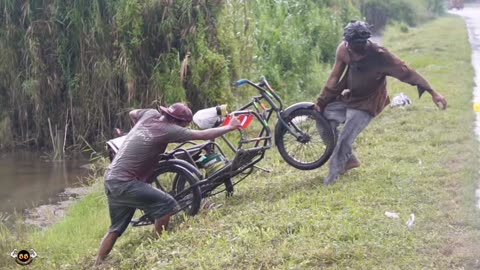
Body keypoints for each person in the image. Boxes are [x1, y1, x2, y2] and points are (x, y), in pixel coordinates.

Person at [96, 103, 241, 265]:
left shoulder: (149, 114)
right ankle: (159, 245)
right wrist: (229, 127)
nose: (186, 127)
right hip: (125, 182)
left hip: (111, 179)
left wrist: (140, 134)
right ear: (179, 122)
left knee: (115, 228)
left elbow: (132, 113)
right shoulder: (169, 129)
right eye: (185, 125)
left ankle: (98, 263)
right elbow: (204, 134)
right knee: (167, 205)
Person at [314, 20, 447, 185]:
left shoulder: (380, 55)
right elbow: (335, 77)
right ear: (347, 43)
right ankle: (349, 160)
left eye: (360, 47)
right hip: (350, 97)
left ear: (365, 43)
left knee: (345, 137)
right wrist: (322, 101)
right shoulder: (343, 50)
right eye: (352, 47)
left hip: (368, 102)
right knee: (321, 120)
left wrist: (433, 92)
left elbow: (408, 72)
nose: (356, 52)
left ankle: (333, 174)